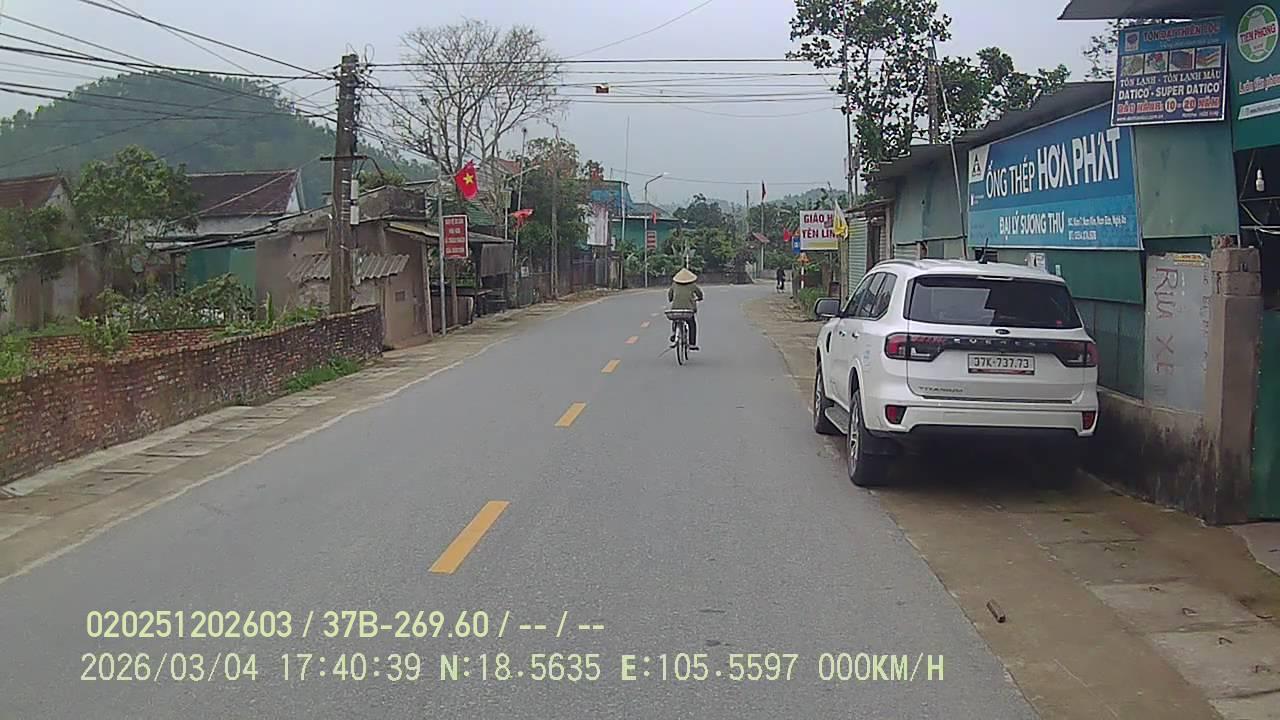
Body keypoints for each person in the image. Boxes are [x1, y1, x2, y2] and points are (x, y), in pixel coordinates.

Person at [668, 267, 704, 351]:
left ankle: (674, 334)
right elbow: (700, 294)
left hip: (676, 309)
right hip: (688, 310)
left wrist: (671, 299)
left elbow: (670, 295)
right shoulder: (692, 285)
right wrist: (699, 298)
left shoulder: (674, 284)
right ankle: (692, 343)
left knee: (675, 320)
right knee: (692, 324)